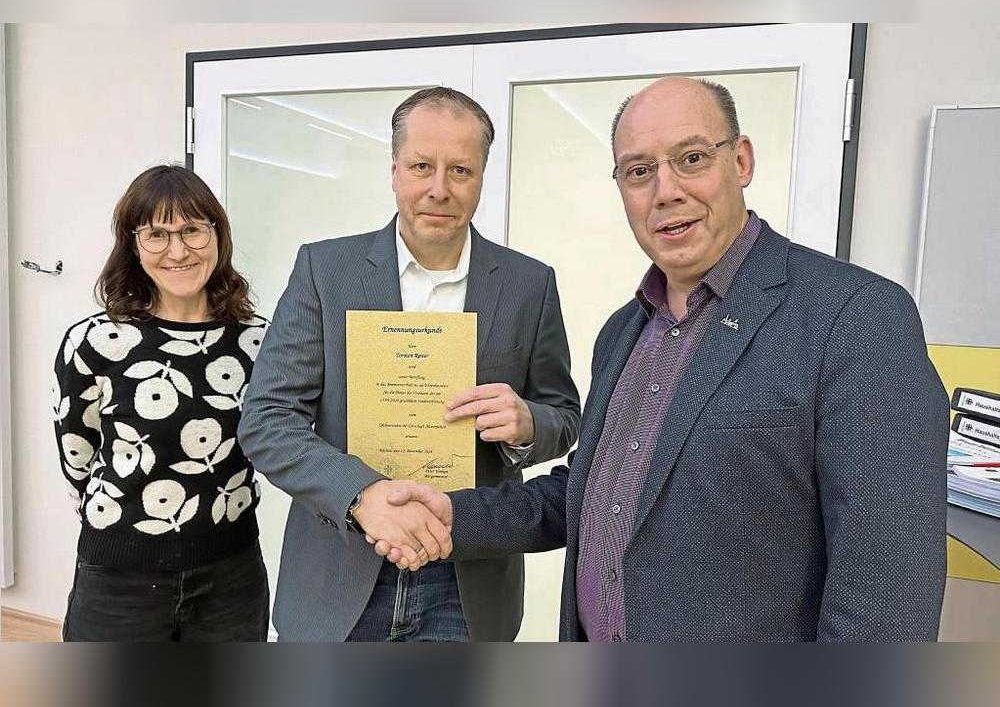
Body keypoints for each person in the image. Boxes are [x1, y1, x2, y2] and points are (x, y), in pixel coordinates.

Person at [377, 76, 949, 641]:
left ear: (742, 161)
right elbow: (590, 492)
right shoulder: (624, 331)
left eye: (692, 158)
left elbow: (888, 592)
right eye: (639, 171)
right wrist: (456, 516)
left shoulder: (853, 316)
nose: (666, 191)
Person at [238, 87, 581, 642]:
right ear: (395, 169)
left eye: (461, 170)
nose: (439, 189)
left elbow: (563, 415)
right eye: (422, 166)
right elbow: (266, 419)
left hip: (466, 578)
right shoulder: (326, 270)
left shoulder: (527, 285)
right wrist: (361, 496)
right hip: (342, 569)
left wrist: (525, 425)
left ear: (482, 177)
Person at [53, 165, 270, 641]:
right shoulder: (94, 343)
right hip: (118, 576)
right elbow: (78, 457)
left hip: (231, 576)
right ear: (132, 244)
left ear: (218, 235)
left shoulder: (259, 342)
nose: (178, 251)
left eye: (192, 230)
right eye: (156, 234)